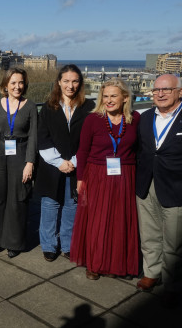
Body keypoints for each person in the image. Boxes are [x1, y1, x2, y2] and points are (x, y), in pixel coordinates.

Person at [135, 74, 182, 307]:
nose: (160, 94)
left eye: (166, 89)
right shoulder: (145, 117)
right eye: (156, 90)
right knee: (149, 235)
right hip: (147, 185)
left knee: (175, 243)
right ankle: (151, 272)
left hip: (180, 189)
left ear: (180, 91)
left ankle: (172, 285)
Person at [70, 78, 140, 280]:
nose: (108, 100)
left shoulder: (135, 119)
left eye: (113, 96)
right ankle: (94, 263)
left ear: (125, 98)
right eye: (105, 96)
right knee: (97, 221)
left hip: (125, 176)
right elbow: (82, 152)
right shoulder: (93, 120)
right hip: (97, 175)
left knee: (121, 222)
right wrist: (80, 179)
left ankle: (120, 264)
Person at [35, 65, 94, 262]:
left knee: (72, 207)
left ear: (80, 83)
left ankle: (69, 244)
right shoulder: (48, 107)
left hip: (77, 165)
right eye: (66, 81)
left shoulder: (89, 107)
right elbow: (42, 138)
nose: (71, 85)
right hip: (52, 167)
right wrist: (59, 162)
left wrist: (75, 161)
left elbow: (90, 139)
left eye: (75, 81)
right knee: (50, 205)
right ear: (59, 82)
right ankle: (49, 245)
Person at [0, 68, 37, 258]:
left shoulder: (30, 106)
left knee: (17, 199)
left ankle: (14, 242)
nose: (17, 87)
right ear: (5, 85)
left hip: (20, 152)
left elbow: (33, 136)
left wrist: (30, 162)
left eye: (21, 83)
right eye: (13, 83)